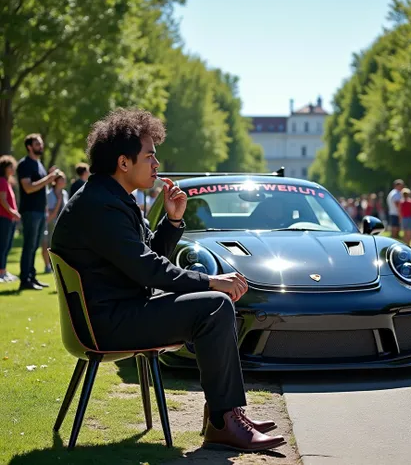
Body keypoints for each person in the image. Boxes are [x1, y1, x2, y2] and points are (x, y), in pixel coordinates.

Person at [51, 108, 285, 452]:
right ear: (124, 163)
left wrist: (172, 222)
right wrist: (210, 282)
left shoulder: (110, 198)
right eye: (150, 156)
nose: (157, 164)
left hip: (120, 311)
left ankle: (225, 413)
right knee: (214, 306)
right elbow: (148, 270)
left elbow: (144, 258)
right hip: (107, 323)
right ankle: (223, 420)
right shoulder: (101, 205)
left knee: (214, 306)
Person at [17, 133, 61, 290]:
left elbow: (41, 187)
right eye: (37, 144)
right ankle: (25, 280)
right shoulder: (24, 164)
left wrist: (48, 176)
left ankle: (32, 277)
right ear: (29, 147)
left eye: (41, 144)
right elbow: (28, 188)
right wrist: (49, 178)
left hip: (40, 212)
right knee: (29, 245)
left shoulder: (39, 164)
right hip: (30, 211)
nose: (41, 146)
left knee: (35, 246)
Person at [42, 172, 69, 273]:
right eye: (61, 179)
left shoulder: (65, 193)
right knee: (48, 245)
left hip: (61, 224)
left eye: (64, 179)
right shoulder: (50, 194)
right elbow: (50, 213)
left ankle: (59, 266)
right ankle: (48, 266)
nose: (63, 182)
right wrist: (58, 201)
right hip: (50, 223)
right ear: (56, 181)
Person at [0, 155, 21, 282]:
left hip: (9, 219)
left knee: (7, 245)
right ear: (4, 168)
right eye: (10, 167)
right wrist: (13, 212)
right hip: (4, 218)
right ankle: (1, 272)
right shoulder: (2, 181)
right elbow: (2, 200)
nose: (13, 169)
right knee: (2, 245)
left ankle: (4, 270)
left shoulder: (7, 182)